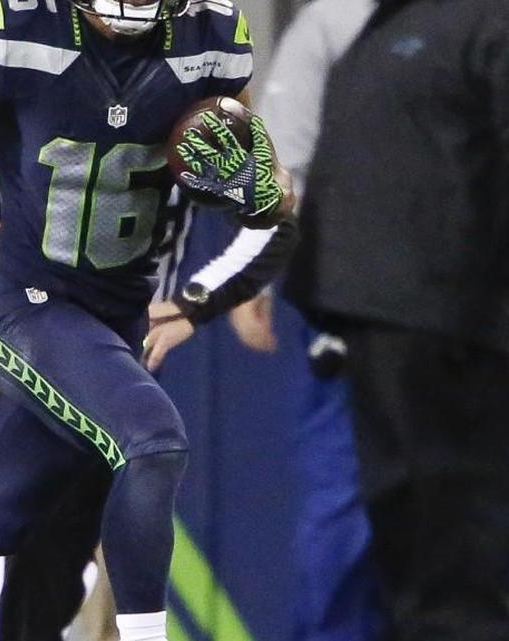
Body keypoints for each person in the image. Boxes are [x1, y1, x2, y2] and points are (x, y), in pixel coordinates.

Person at [0, 0, 298, 640]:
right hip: (26, 302)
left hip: (119, 320)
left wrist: (259, 187)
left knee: (1, 515)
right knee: (152, 442)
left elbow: (271, 197)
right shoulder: (21, 28)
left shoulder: (208, 38)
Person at [283, 0, 509, 639]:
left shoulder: (443, 23)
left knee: (435, 549)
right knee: (432, 547)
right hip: (414, 320)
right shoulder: (405, 24)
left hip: (420, 319)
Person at [229, 2, 383, 640]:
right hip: (359, 313)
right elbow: (279, 166)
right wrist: (250, 274)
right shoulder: (339, 16)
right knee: (344, 522)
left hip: (469, 317)